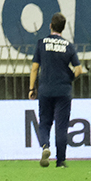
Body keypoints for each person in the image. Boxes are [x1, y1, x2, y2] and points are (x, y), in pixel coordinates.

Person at [28, 11, 85, 168]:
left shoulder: (42, 43)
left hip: (46, 89)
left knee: (45, 123)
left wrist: (32, 88)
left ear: (50, 26)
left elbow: (34, 68)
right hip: (63, 90)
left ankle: (45, 147)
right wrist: (69, 78)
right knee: (61, 126)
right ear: (63, 28)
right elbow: (79, 69)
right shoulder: (68, 46)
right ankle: (60, 161)